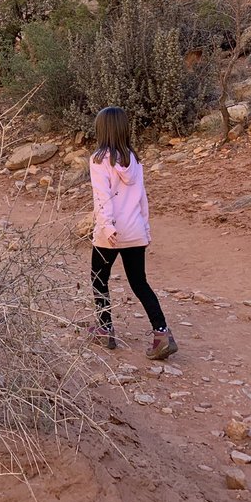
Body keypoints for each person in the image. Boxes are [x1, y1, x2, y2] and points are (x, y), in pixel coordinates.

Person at [86, 106, 177, 359]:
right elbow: (142, 200)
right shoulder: (134, 160)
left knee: (98, 279)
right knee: (139, 283)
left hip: (110, 232)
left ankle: (104, 329)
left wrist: (106, 226)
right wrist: (145, 229)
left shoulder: (98, 159)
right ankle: (162, 333)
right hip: (135, 229)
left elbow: (102, 198)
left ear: (102, 129)